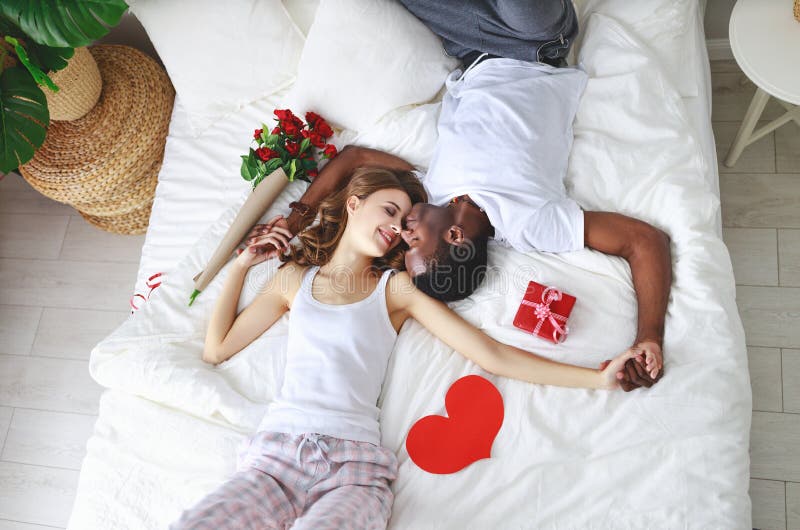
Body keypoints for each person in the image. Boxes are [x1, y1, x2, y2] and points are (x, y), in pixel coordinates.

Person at [171, 167, 646, 529]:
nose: (398, 226)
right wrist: (240, 267)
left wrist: (596, 377)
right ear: (354, 204)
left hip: (352, 470)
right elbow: (217, 349)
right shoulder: (293, 279)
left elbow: (490, 354)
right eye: (390, 209)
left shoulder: (395, 290)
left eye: (403, 219)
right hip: (276, 458)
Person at [248, 0, 671, 392]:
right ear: (453, 239)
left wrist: (298, 218)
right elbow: (644, 241)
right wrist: (649, 336)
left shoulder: (431, 190)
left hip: (470, 45)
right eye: (412, 241)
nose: (402, 229)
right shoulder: (531, 225)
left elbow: (353, 157)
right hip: (535, 46)